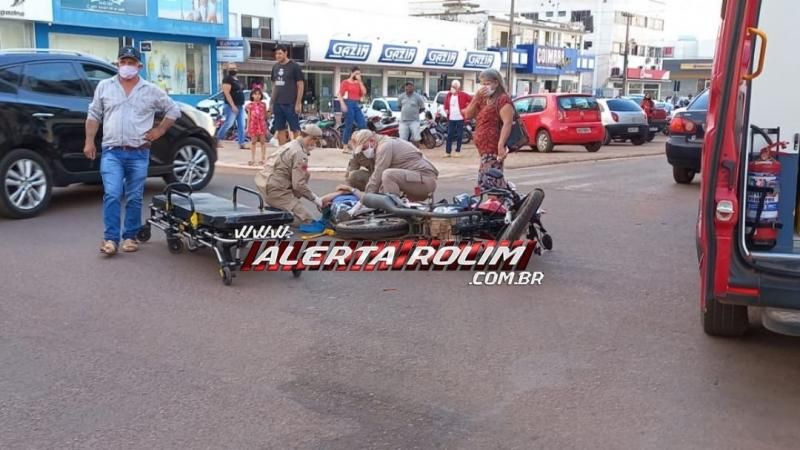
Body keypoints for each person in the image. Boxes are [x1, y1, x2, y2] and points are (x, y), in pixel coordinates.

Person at [84, 46, 181, 256]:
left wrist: (159, 130)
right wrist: (89, 141)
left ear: (139, 66)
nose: (127, 66)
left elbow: (174, 110)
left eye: (131, 63)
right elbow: (94, 114)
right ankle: (110, 239)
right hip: (112, 151)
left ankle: (130, 236)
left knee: (135, 196)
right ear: (117, 64)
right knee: (112, 194)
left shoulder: (151, 90)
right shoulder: (105, 86)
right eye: (123, 62)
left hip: (138, 152)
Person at [254, 124, 324, 226]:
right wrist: (316, 200)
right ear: (311, 139)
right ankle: (275, 218)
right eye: (316, 141)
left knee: (306, 174)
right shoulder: (300, 154)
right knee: (308, 221)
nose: (315, 144)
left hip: (266, 184)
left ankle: (283, 205)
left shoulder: (291, 144)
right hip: (277, 190)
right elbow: (298, 184)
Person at [347, 130, 439, 203]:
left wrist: (366, 199)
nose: (363, 151)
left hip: (425, 181)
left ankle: (394, 210)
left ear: (372, 141)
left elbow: (378, 175)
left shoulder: (384, 146)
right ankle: (386, 202)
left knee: (388, 174)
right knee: (358, 176)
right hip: (411, 179)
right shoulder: (376, 147)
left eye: (364, 148)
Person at [461, 68, 514, 190]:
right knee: (488, 183)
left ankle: (499, 205)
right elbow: (468, 114)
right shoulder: (483, 99)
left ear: (496, 83)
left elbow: (507, 122)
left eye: (487, 83)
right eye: (482, 84)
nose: (485, 87)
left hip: (493, 148)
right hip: (484, 150)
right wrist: (476, 98)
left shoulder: (502, 99)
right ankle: (503, 203)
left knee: (491, 183)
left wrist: (501, 145)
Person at [271, 44, 305, 146]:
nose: (278, 55)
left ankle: (297, 149)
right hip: (278, 103)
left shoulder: (294, 66)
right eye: (276, 53)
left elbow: (300, 85)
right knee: (280, 128)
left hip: (291, 103)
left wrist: (298, 103)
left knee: (295, 128)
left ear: (286, 53)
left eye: (280, 53)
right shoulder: (275, 67)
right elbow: (274, 86)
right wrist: (271, 102)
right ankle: (282, 151)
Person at [216, 62, 247, 149]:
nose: (232, 70)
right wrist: (232, 105)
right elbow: (227, 93)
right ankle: (217, 140)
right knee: (228, 123)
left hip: (240, 105)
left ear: (237, 69)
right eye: (230, 68)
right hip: (231, 106)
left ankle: (242, 143)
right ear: (227, 70)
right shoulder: (227, 79)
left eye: (234, 68)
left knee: (241, 124)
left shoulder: (236, 79)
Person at [339, 66, 368, 146]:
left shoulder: (358, 83)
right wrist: (342, 104)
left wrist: (360, 82)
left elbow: (364, 92)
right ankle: (345, 144)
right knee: (349, 125)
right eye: (356, 73)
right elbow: (340, 94)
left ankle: (361, 143)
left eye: (359, 74)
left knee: (362, 124)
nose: (358, 75)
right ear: (352, 73)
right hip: (348, 103)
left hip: (356, 104)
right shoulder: (345, 82)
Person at [443, 80, 472, 157]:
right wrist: (446, 109)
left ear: (458, 88)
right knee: (449, 135)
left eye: (455, 87)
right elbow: (445, 104)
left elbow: (472, 100)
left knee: (459, 135)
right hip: (451, 118)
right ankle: (448, 152)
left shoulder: (463, 94)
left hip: (460, 118)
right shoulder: (449, 95)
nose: (453, 88)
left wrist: (466, 109)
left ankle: (458, 151)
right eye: (452, 86)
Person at [397, 81, 426, 147]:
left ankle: (416, 152)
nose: (408, 87)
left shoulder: (418, 97)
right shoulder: (401, 96)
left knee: (416, 138)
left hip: (414, 121)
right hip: (403, 121)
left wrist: (416, 113)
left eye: (410, 86)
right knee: (402, 139)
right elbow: (399, 107)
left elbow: (422, 108)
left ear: (413, 87)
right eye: (407, 86)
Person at [246, 88, 269, 166]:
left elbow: (265, 115)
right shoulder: (250, 105)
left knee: (263, 142)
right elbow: (249, 117)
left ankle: (263, 158)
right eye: (255, 94)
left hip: (261, 125)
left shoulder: (263, 104)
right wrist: (247, 127)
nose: (257, 96)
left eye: (259, 94)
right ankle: (252, 158)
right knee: (253, 142)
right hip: (253, 125)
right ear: (252, 95)